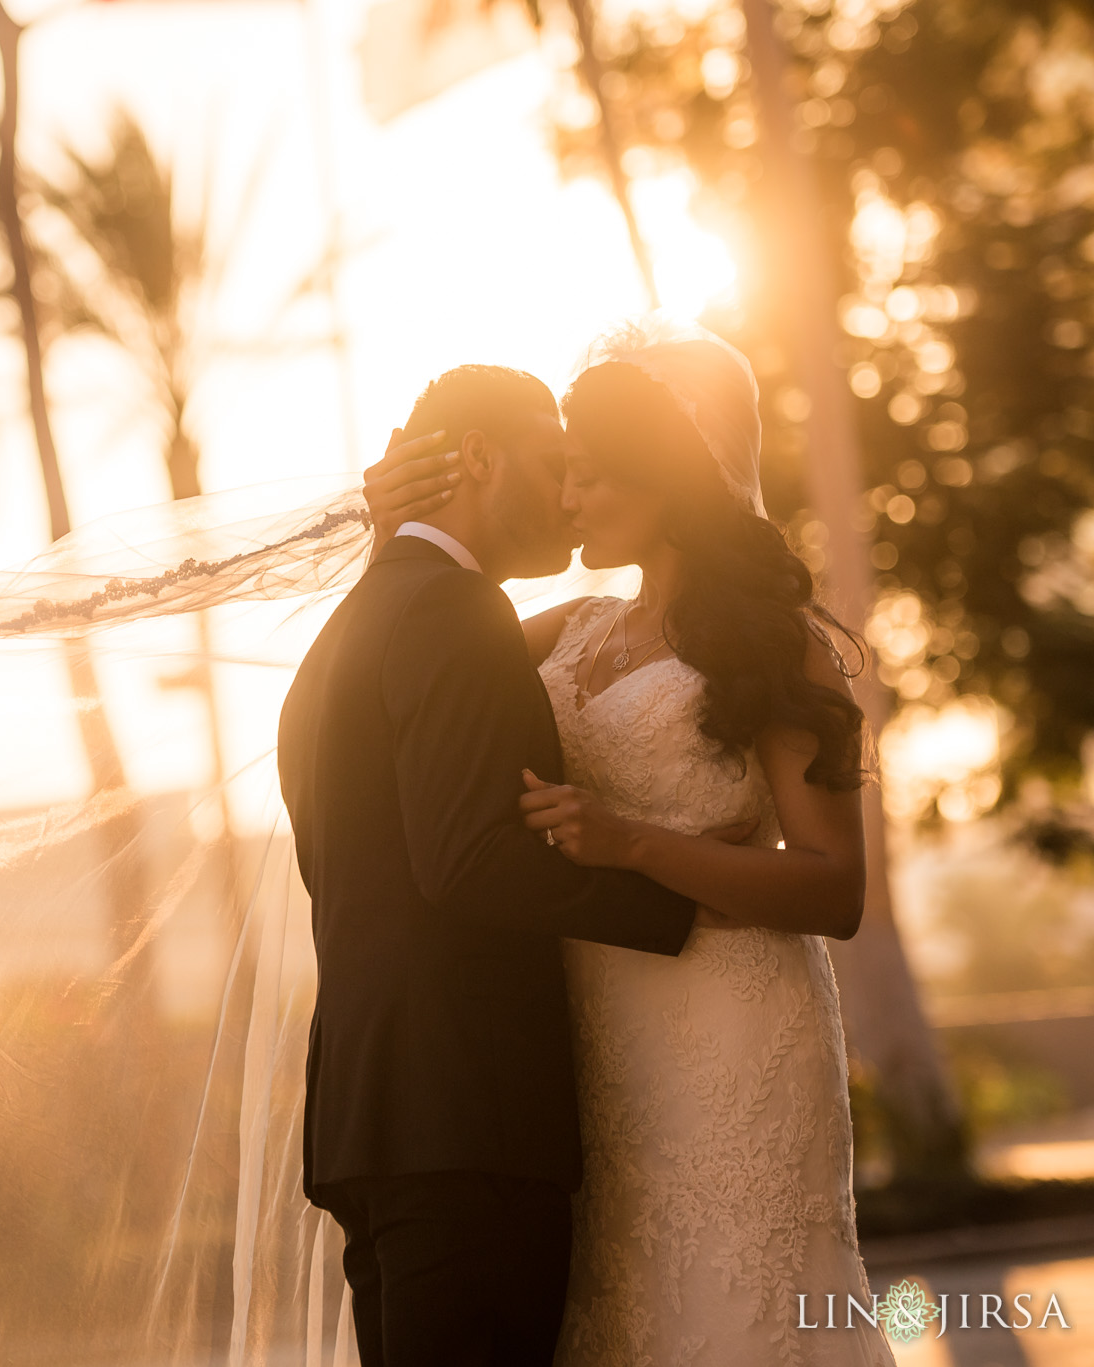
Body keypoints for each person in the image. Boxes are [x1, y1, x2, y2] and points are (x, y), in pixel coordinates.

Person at [362, 322, 894, 1366]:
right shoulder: (566, 630)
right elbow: (411, 654)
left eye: (589, 479)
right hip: (595, 1035)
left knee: (732, 1305)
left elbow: (835, 888)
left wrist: (631, 841)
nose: (563, 502)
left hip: (732, 1022)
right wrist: (394, 531)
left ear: (662, 480)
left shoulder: (767, 641)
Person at [277, 363, 703, 1367]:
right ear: (476, 457)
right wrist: (676, 896)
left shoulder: (346, 631)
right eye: (553, 462)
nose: (566, 494)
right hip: (468, 1122)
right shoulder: (449, 614)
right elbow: (465, 862)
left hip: (369, 1117)